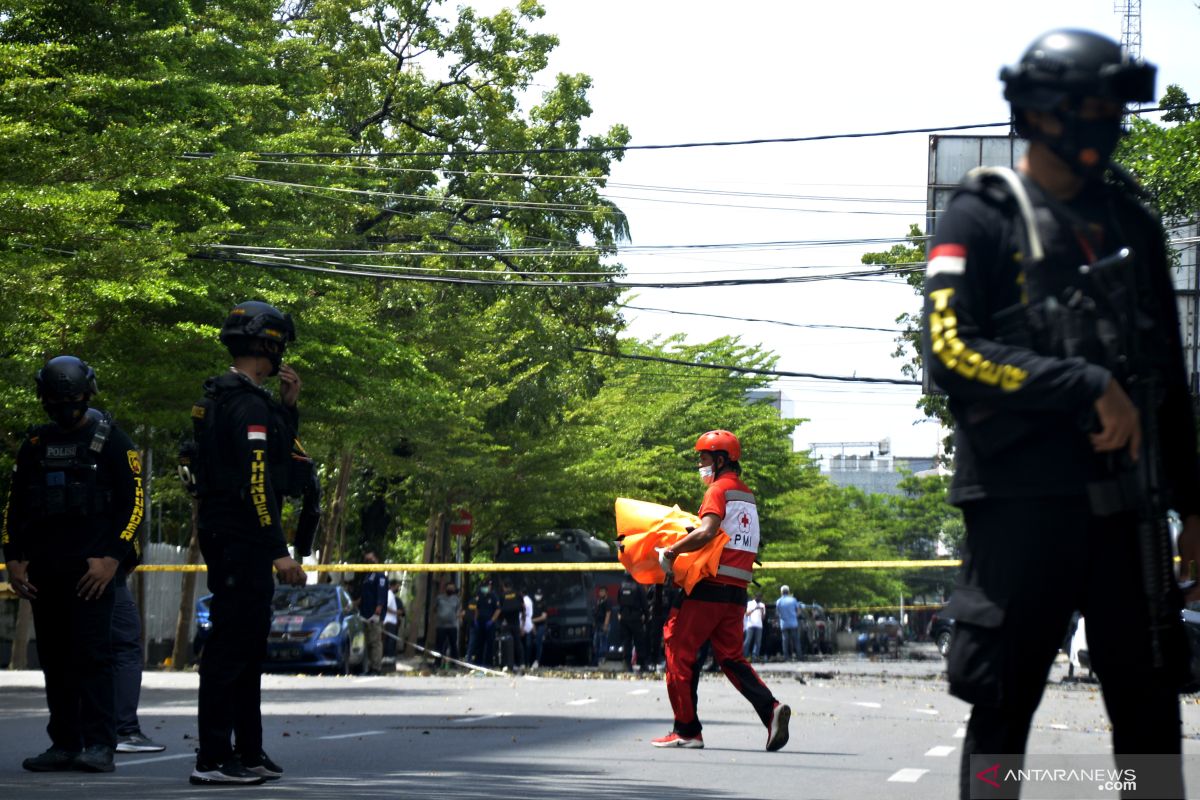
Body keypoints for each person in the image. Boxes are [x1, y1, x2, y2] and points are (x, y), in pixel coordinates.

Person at [924, 30, 1200, 798]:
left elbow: (1168, 380)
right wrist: (1081, 382)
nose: (1110, 120)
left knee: (1149, 723)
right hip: (1020, 511)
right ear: (1047, 112)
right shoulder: (981, 218)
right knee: (1001, 713)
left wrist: (1194, 507)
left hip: (1127, 516)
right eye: (1095, 105)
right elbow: (950, 352)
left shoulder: (1133, 224)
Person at [2, 356, 143, 774]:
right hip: (46, 570)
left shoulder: (114, 442)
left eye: (72, 398)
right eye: (55, 399)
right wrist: (12, 558)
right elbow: (15, 506)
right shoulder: (35, 445)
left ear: (87, 395)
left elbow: (133, 506)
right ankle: (64, 742)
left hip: (93, 573)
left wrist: (113, 559)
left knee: (94, 658)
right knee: (57, 659)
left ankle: (100, 744)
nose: (64, 406)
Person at [192, 300, 307, 786]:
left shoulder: (225, 397)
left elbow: (275, 461)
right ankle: (215, 758)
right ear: (268, 345)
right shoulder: (245, 404)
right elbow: (258, 482)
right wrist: (279, 552)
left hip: (229, 534)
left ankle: (248, 751)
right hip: (242, 538)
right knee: (230, 650)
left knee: (247, 648)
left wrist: (289, 408)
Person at [654, 430, 791, 751]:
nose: (700, 465)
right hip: (736, 591)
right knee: (730, 657)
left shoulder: (719, 490)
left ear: (719, 460)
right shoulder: (747, 496)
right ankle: (770, 710)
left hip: (709, 587)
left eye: (703, 459)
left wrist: (671, 552)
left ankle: (686, 730)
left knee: (678, 650)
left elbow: (707, 532)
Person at [112, 576, 166, 754]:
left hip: (62, 579)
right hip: (108, 580)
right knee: (126, 651)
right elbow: (126, 550)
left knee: (83, 653)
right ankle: (124, 730)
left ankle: (72, 736)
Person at [359, 548, 388, 675]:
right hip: (365, 614)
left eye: (371, 559)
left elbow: (381, 596)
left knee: (375, 642)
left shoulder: (380, 575)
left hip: (374, 615)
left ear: (376, 559)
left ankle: (376, 667)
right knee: (368, 642)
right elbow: (365, 595)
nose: (368, 562)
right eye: (367, 560)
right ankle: (370, 666)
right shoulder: (367, 575)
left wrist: (377, 612)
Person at [618, 574, 649, 673]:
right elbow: (644, 603)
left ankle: (627, 664)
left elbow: (619, 602)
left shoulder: (622, 587)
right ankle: (642, 664)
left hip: (624, 618)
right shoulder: (638, 587)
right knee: (639, 642)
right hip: (636, 618)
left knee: (627, 642)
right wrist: (646, 616)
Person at [470, 579, 500, 666]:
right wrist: (475, 620)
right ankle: (478, 662)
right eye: (484, 586)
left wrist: (492, 621)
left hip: (489, 624)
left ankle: (488, 663)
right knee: (479, 643)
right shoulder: (480, 595)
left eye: (486, 586)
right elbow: (477, 608)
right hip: (480, 622)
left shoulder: (494, 596)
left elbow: (498, 610)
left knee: (490, 643)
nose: (485, 588)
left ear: (490, 586)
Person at [497, 579, 525, 672]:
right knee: (518, 644)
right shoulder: (517, 594)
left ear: (504, 587)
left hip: (506, 623)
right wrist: (523, 624)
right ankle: (521, 664)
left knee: (506, 644)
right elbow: (523, 608)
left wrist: (500, 622)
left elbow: (499, 610)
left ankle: (507, 665)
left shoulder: (502, 596)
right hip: (516, 622)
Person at [433, 580, 461, 669]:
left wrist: (458, 616)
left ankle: (454, 664)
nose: (451, 589)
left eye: (452, 588)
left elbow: (459, 611)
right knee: (439, 645)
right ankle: (437, 663)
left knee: (453, 645)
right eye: (449, 588)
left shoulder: (456, 599)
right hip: (441, 626)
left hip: (452, 626)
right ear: (446, 589)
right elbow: (434, 609)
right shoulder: (439, 598)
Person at [775, 586, 801, 662]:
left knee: (785, 641)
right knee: (796, 640)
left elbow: (777, 613)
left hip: (784, 624)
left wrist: (782, 616)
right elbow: (799, 611)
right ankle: (799, 656)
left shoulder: (779, 601)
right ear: (788, 592)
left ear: (781, 592)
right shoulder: (793, 600)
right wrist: (794, 616)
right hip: (793, 623)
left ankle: (786, 657)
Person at [592, 586, 612, 667]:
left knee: (603, 641)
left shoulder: (607, 602)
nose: (601, 593)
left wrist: (606, 625)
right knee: (596, 642)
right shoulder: (599, 601)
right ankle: (596, 660)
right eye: (600, 591)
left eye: (602, 591)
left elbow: (608, 613)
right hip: (597, 624)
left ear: (606, 592)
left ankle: (603, 659)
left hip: (603, 624)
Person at [527, 588, 547, 668]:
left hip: (541, 625)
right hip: (531, 625)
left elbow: (543, 617)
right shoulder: (532, 604)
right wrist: (532, 623)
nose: (538, 596)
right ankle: (527, 662)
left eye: (539, 594)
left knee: (539, 640)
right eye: (537, 594)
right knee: (528, 643)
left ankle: (537, 661)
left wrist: (533, 620)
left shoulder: (543, 603)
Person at [743, 593, 766, 661]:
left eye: (760, 597)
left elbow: (763, 618)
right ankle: (744, 655)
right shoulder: (749, 603)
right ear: (755, 596)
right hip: (750, 625)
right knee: (747, 641)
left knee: (758, 642)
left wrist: (762, 611)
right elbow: (746, 614)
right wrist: (755, 609)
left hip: (759, 625)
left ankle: (755, 656)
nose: (759, 598)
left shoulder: (762, 605)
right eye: (758, 596)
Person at [383, 579, 402, 661]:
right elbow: (385, 607)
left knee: (391, 640)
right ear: (393, 586)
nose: (398, 588)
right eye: (397, 586)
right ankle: (388, 656)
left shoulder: (391, 595)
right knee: (390, 640)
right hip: (389, 621)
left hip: (391, 621)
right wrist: (396, 612)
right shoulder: (389, 595)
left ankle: (389, 656)